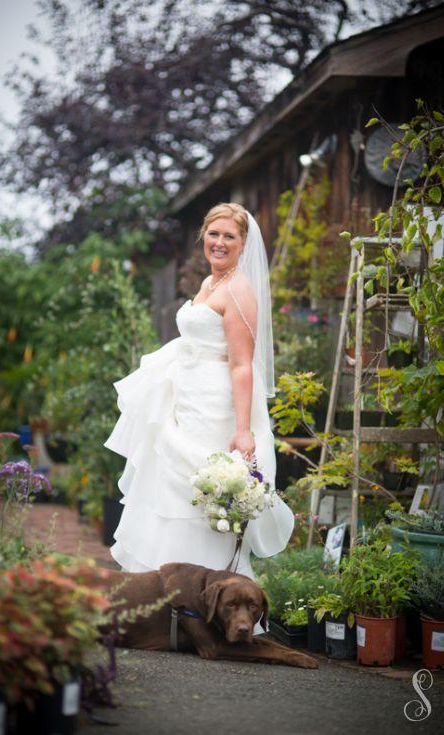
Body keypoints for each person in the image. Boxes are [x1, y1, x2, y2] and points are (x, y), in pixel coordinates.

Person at [103, 202, 294, 588]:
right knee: (168, 488)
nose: (219, 243)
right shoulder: (211, 283)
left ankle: (204, 592)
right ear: (203, 236)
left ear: (243, 244)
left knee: (199, 489)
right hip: (186, 399)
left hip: (214, 405)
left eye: (229, 237)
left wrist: (244, 430)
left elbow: (242, 365)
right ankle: (161, 591)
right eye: (213, 234)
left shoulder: (239, 289)